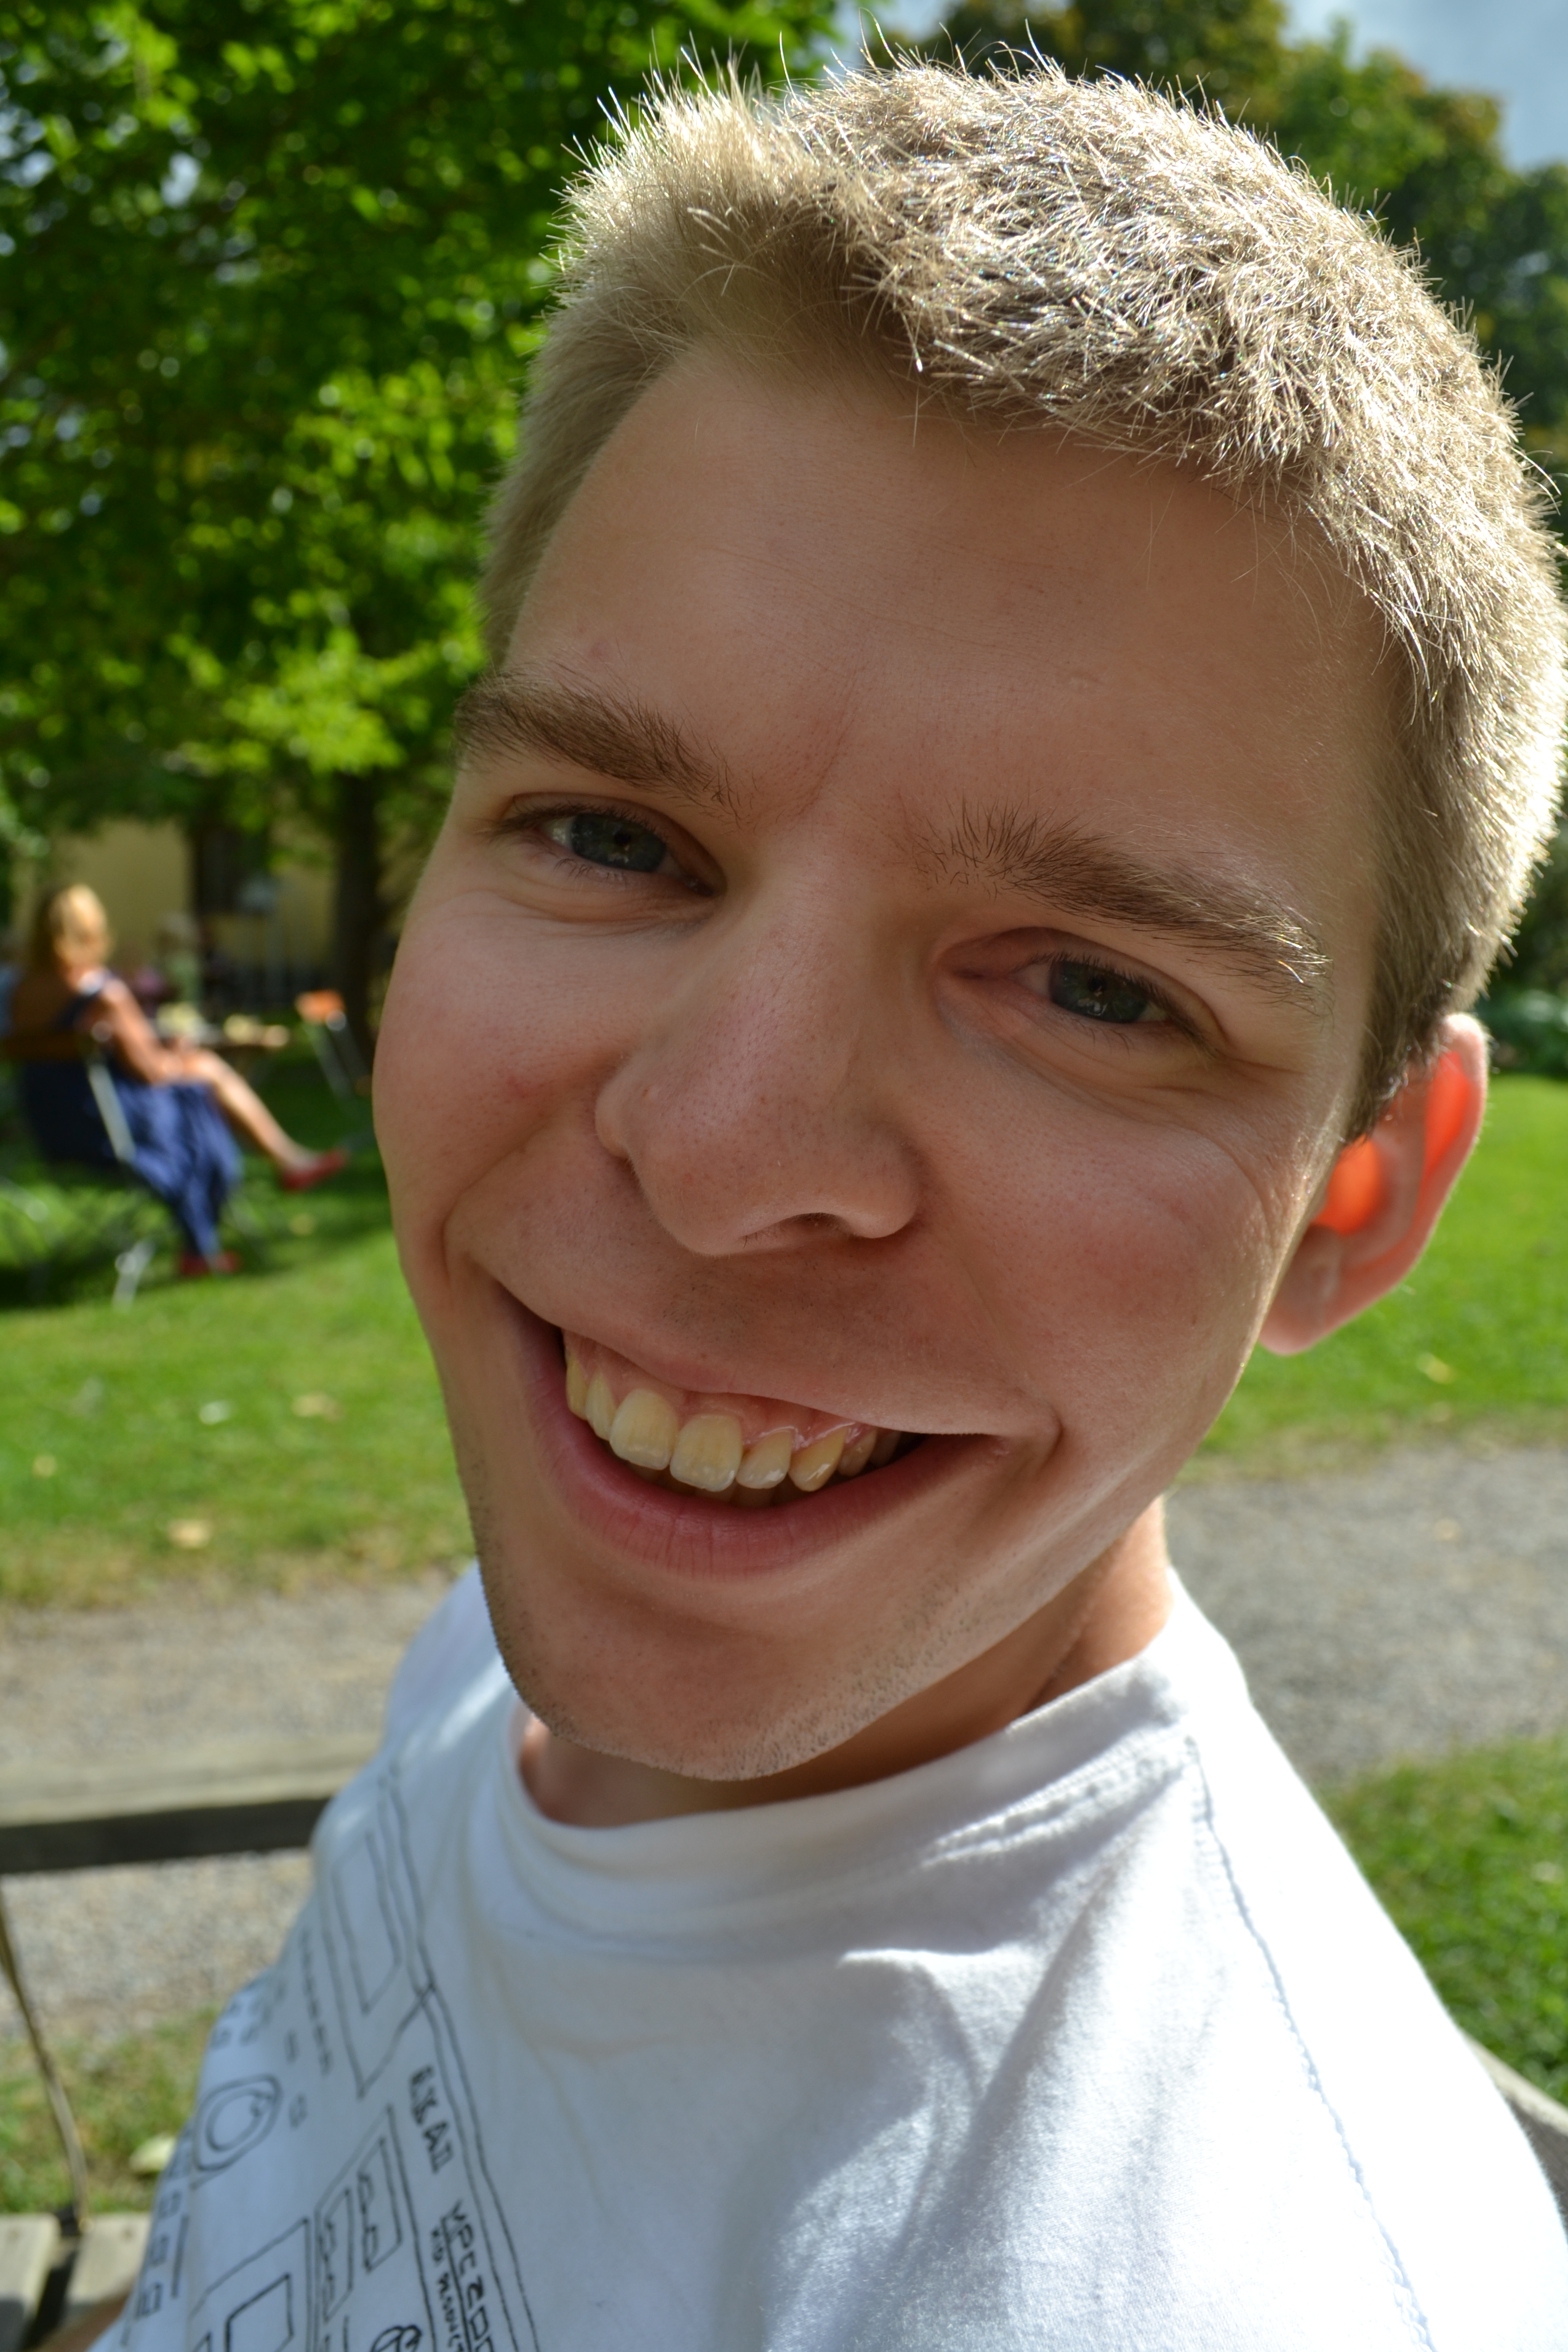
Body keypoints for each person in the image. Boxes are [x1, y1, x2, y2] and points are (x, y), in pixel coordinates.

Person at [113, 63, 1566, 2351]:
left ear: (1353, 1199)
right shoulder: (516, 1624)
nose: (718, 1156)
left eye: (1096, 987)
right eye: (612, 837)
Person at [7, 883, 346, 1272]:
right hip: (115, 1134)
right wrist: (180, 1055)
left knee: (198, 1074)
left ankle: (284, 1163)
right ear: (91, 930)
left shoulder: (21, 992)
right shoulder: (104, 993)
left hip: (55, 1132)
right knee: (204, 1075)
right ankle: (279, 1166)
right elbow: (152, 1071)